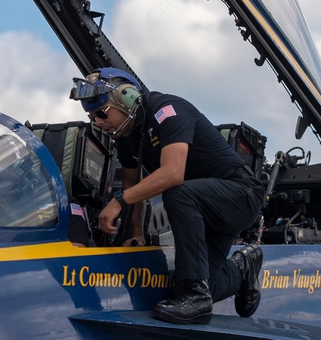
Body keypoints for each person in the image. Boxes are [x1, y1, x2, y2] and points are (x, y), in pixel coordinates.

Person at [70, 67, 265, 325]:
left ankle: (197, 297)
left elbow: (173, 174)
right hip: (206, 209)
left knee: (178, 192)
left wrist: (117, 201)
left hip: (240, 194)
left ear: (127, 98)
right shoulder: (126, 137)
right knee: (187, 289)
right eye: (92, 117)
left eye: (101, 113)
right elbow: (133, 187)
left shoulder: (167, 111)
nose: (97, 122)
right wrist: (135, 234)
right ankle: (242, 269)